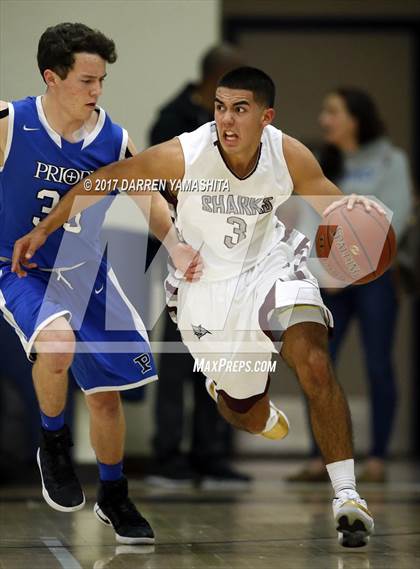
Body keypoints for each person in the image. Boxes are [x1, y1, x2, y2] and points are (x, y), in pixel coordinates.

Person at [12, 67, 383, 548]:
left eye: (241, 109)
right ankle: (247, 401)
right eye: (220, 107)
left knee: (313, 359)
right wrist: (44, 230)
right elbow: (107, 178)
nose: (227, 120)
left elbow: (332, 204)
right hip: (203, 287)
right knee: (244, 411)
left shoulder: (287, 153)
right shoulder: (187, 152)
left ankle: (348, 497)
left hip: (270, 265)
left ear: (266, 117)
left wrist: (358, 209)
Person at [0, 22, 199, 544]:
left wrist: (177, 244)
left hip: (86, 273)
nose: (97, 92)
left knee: (108, 394)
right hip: (18, 268)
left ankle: (114, 495)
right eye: (86, 81)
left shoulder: (112, 136)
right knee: (57, 342)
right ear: (52, 77)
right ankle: (54, 445)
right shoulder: (10, 123)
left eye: (102, 80)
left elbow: (147, 195)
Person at [288, 88, 412, 484]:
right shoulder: (322, 165)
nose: (324, 120)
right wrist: (323, 272)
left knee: (378, 364)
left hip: (375, 279)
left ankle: (376, 457)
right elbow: (310, 224)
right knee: (317, 365)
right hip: (330, 284)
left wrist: (348, 269)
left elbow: (392, 221)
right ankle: (320, 458)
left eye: (332, 112)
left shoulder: (392, 161)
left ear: (354, 118)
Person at [147, 44, 251, 487]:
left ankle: (211, 455)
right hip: (183, 256)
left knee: (219, 359)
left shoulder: (235, 124)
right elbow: (158, 183)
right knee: (176, 360)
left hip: (227, 257)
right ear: (217, 77)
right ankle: (168, 457)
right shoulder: (172, 119)